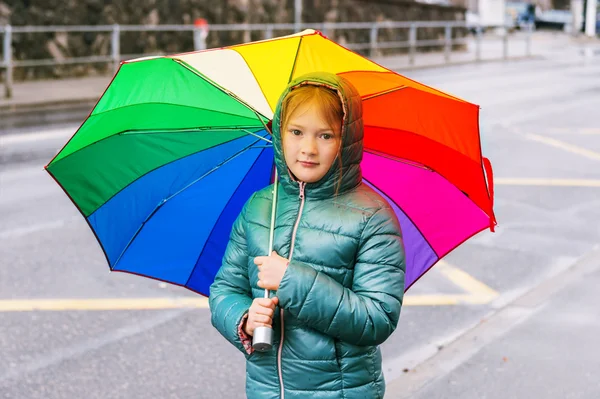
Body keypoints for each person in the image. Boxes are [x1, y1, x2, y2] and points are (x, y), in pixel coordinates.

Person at [209, 71, 406, 399]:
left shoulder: (372, 217)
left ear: (346, 140)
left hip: (341, 391)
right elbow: (225, 288)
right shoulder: (260, 207)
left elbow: (377, 318)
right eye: (296, 132)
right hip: (267, 390)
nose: (308, 148)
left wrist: (290, 281)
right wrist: (243, 318)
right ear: (279, 135)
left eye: (325, 136)